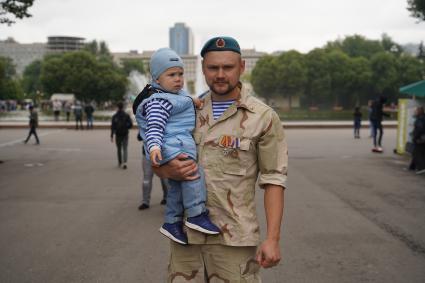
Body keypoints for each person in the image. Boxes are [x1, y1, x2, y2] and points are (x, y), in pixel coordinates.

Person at [153, 37, 287, 282]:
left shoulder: (263, 117)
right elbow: (158, 161)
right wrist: (166, 170)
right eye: (213, 68)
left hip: (234, 241)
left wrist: (273, 239)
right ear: (204, 69)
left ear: (242, 67)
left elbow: (274, 180)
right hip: (186, 239)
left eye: (228, 67)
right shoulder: (185, 109)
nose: (221, 74)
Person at [134, 47, 220, 245]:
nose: (178, 79)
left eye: (180, 74)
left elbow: (180, 100)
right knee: (192, 175)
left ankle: (172, 221)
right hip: (173, 146)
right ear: (156, 79)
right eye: (171, 74)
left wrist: (193, 100)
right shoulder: (157, 102)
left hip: (174, 145)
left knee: (177, 184)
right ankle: (196, 214)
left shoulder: (171, 96)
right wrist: (154, 146)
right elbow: (155, 125)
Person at [137, 132, 169, 210]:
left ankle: (167, 198)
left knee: (165, 179)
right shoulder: (145, 122)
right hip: (147, 155)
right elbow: (139, 137)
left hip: (162, 154)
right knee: (146, 179)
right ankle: (145, 202)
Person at [111, 102, 133, 169]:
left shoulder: (115, 116)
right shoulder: (126, 115)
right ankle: (125, 162)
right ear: (123, 107)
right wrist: (126, 127)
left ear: (117, 107)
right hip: (125, 134)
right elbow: (131, 125)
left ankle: (120, 162)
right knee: (125, 148)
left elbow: (113, 127)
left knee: (119, 149)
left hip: (118, 134)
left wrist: (111, 135)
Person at [411, 106, 425, 174]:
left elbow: (419, 129)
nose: (415, 112)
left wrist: (415, 137)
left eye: (416, 111)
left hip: (420, 139)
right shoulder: (422, 118)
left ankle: (421, 168)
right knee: (418, 152)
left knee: (416, 153)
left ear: (419, 112)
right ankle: (412, 167)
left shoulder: (420, 119)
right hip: (422, 138)